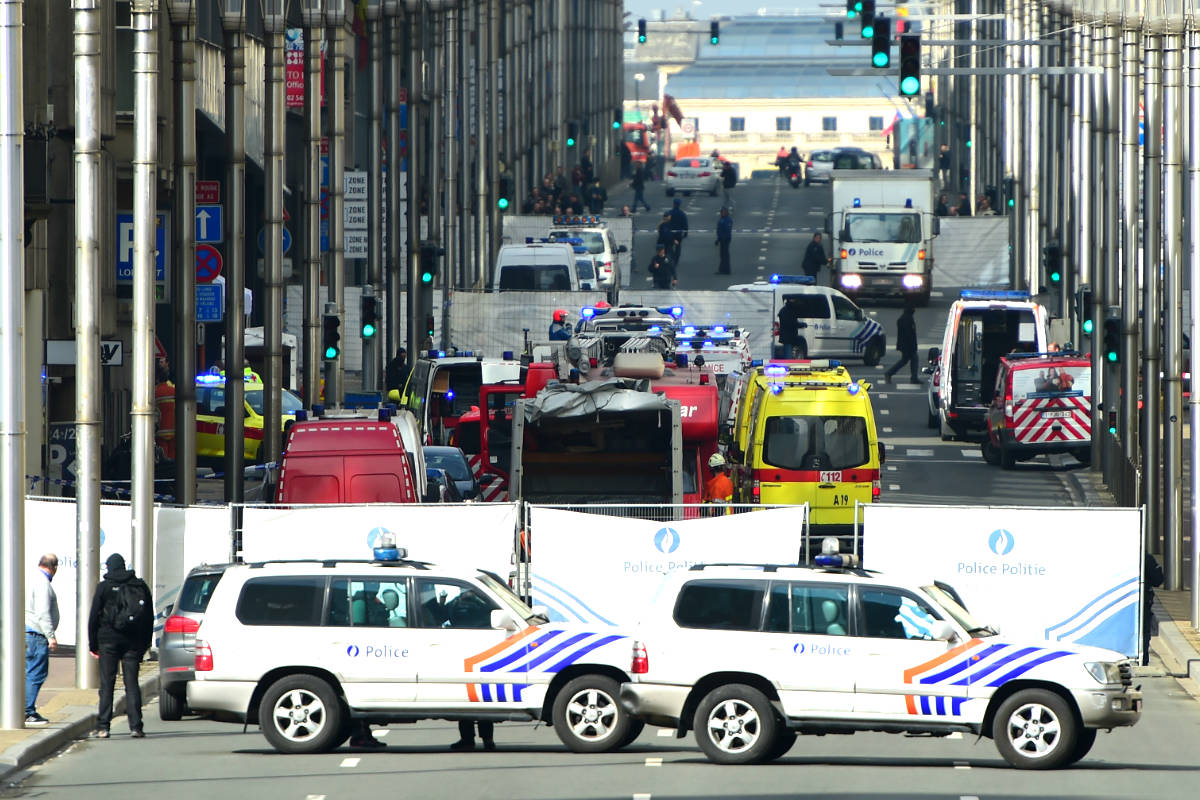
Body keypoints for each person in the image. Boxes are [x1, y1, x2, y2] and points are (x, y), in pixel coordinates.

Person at [88, 553, 153, 739]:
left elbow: (93, 618)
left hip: (107, 641)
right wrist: (144, 645)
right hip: (132, 642)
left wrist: (93, 644)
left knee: (107, 684)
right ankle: (136, 726)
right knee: (131, 684)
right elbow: (148, 618)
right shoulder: (139, 586)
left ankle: (103, 726)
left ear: (109, 567)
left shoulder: (104, 587)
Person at [24, 553, 59, 727]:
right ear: (54, 567)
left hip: (26, 631)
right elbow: (43, 612)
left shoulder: (30, 578)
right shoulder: (43, 584)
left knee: (26, 672)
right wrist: (50, 636)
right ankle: (27, 711)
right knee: (36, 673)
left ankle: (22, 708)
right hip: (36, 634)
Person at [883, 305, 920, 384]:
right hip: (908, 345)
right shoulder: (907, 319)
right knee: (912, 359)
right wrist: (913, 346)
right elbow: (909, 335)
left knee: (905, 360)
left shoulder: (904, 318)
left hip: (904, 345)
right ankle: (913, 378)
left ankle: (890, 373)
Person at [667, 198, 689, 265]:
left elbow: (666, 222)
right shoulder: (682, 214)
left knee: (669, 246)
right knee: (678, 246)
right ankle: (676, 259)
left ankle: (672, 257)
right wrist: (686, 232)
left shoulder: (669, 213)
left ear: (673, 204)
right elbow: (685, 224)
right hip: (679, 234)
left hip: (670, 233)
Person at [715, 207, 733, 275]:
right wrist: (718, 239)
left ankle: (726, 270)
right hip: (722, 239)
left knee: (725, 255)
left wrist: (723, 238)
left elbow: (727, 230)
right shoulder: (722, 219)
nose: (722, 213)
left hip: (725, 239)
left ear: (726, 212)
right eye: (721, 212)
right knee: (722, 255)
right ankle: (722, 269)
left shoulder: (728, 220)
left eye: (723, 212)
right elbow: (719, 230)